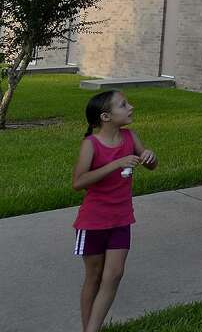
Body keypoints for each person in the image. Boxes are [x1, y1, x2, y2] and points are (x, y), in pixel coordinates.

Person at [72, 90, 157, 332]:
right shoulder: (91, 144)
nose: (131, 107)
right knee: (94, 276)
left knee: (115, 274)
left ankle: (92, 329)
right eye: (123, 105)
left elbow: (150, 165)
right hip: (93, 221)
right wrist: (115, 164)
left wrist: (150, 157)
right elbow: (78, 182)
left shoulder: (130, 137)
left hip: (121, 218)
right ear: (106, 116)